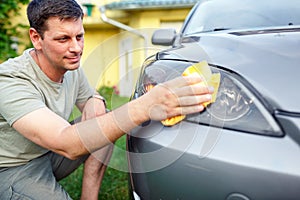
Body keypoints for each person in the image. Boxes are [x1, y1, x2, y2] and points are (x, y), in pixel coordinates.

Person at [0, 0, 213, 199]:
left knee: (104, 120)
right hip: (13, 168)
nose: (76, 48)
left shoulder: (68, 66)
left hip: (48, 155)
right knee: (104, 124)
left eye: (79, 36)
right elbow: (66, 143)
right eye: (63, 39)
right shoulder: (10, 80)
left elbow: (91, 98)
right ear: (36, 38)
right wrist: (144, 106)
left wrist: (95, 101)